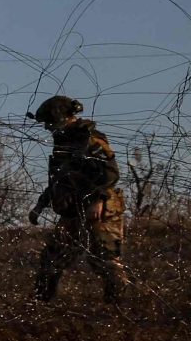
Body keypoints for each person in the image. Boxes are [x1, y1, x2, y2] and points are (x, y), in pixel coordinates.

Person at [27, 95, 127, 301]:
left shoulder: (89, 138)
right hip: (73, 210)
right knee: (52, 258)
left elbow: (110, 173)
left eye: (50, 122)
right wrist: (41, 204)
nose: (47, 127)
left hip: (100, 211)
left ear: (63, 117)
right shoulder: (64, 143)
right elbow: (61, 179)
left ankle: (118, 310)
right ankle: (40, 307)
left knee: (106, 260)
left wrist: (98, 199)